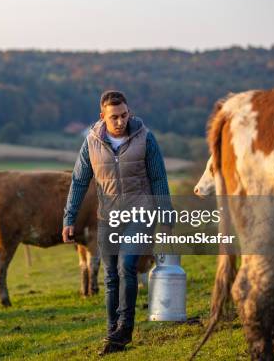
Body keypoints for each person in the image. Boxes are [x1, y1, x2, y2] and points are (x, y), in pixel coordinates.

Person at [62, 90, 172, 355]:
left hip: (141, 213)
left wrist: (166, 214)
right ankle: (113, 335)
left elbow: (158, 178)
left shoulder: (145, 138)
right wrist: (69, 217)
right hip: (108, 217)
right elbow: (78, 181)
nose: (121, 121)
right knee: (110, 276)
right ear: (103, 116)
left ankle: (125, 329)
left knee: (127, 266)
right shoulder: (91, 142)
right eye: (114, 117)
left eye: (124, 115)